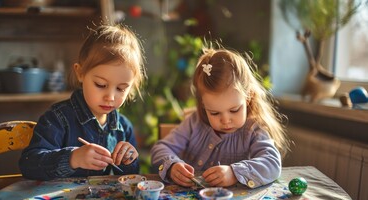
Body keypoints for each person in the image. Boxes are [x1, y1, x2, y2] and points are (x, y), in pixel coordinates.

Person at [19, 24, 146, 181]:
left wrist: (129, 161)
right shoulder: (58, 118)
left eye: (121, 88)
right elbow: (28, 165)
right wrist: (72, 159)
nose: (110, 97)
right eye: (100, 85)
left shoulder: (123, 127)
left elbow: (130, 178)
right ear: (80, 73)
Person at [151, 46, 289, 188]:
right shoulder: (195, 122)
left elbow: (272, 164)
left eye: (234, 110)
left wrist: (234, 173)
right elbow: (160, 148)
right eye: (214, 113)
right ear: (203, 105)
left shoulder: (253, 130)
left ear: (248, 98)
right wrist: (172, 165)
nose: (225, 120)